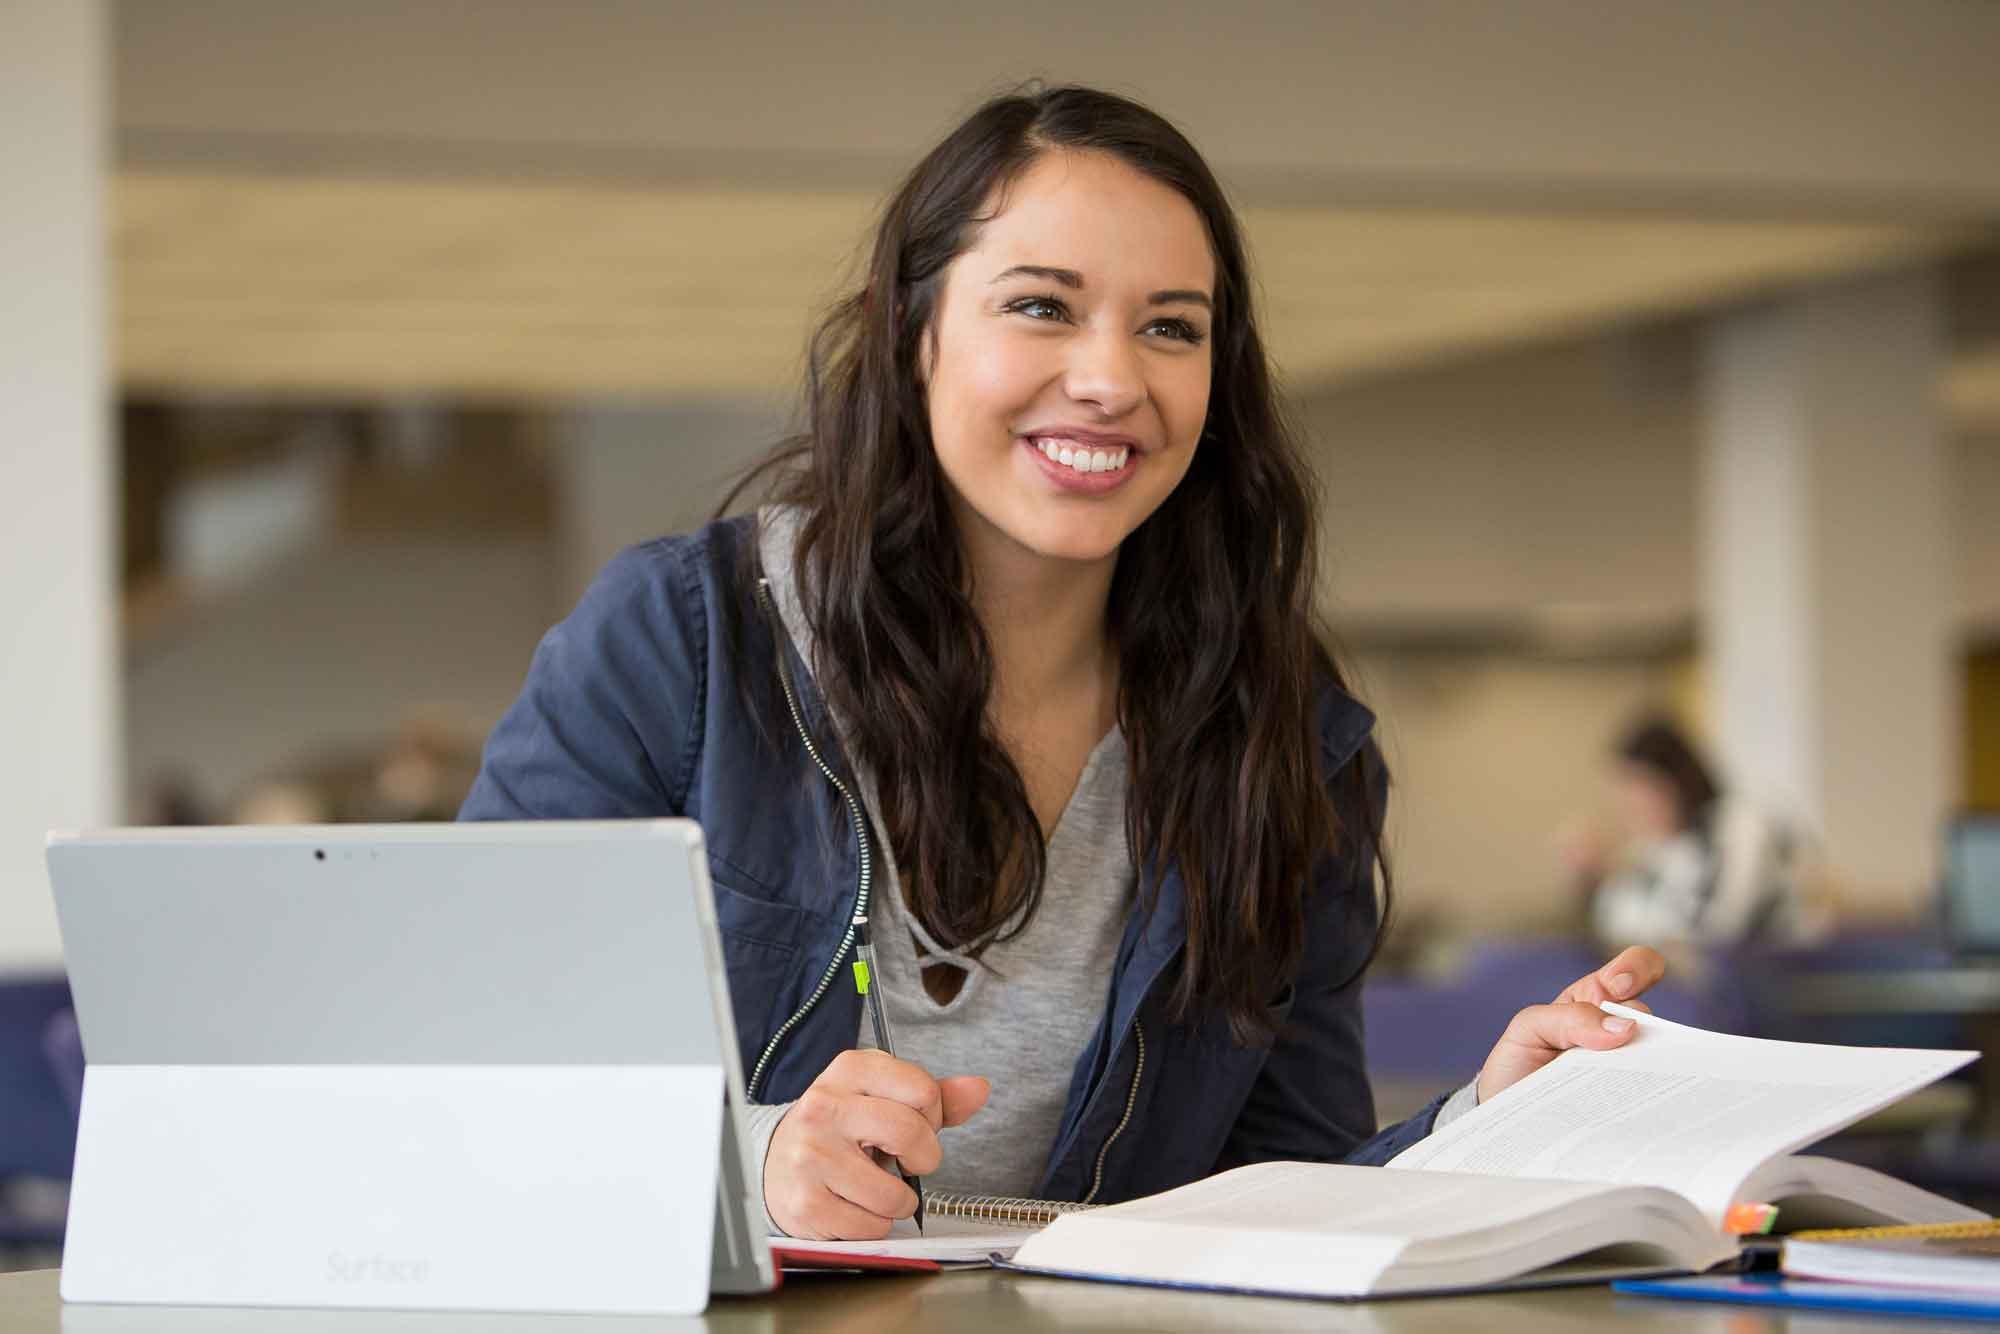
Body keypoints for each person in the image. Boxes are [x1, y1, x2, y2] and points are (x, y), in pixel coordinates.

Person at [461, 84, 1664, 1242]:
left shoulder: (1283, 737)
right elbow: (451, 1072)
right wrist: (750, 1158)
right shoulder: (689, 640)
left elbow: (1277, 1198)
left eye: (1169, 327)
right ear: (912, 331)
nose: (1109, 380)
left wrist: (1478, 1123)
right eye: (1041, 306)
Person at [1568, 716, 1817, 953]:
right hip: (1693, 985)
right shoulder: (1656, 850)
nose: (1631, 807)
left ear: (1675, 780)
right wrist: (1595, 881)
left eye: (1640, 788)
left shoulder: (1740, 826)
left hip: (1764, 979)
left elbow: (1720, 927)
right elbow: (1618, 928)